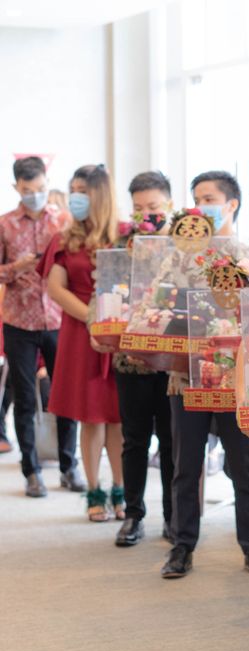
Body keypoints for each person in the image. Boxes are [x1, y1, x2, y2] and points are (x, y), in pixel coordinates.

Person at [161, 170, 249, 581]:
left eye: (208, 198)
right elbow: (159, 304)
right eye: (196, 199)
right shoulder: (177, 253)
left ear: (231, 203)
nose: (201, 206)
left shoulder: (246, 252)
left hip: (233, 379)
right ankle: (181, 546)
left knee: (244, 466)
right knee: (185, 465)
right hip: (186, 375)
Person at [38, 164, 124, 521]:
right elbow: (56, 288)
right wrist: (92, 316)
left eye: (83, 190)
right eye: (73, 189)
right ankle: (94, 489)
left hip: (119, 332)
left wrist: (110, 319)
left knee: (118, 417)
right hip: (80, 331)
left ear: (100, 194)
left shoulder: (124, 235)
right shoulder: (64, 236)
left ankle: (120, 488)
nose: (76, 197)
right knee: (90, 417)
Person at [0, 156, 82, 497]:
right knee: (25, 399)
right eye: (28, 190)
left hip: (57, 319)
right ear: (17, 187)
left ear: (48, 185)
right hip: (18, 321)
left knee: (64, 396)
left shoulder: (62, 221)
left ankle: (69, 467)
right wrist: (15, 268)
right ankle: (31, 472)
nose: (35, 195)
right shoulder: (4, 224)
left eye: (41, 189)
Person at [109, 171, 174, 546]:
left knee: (170, 440)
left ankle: (172, 516)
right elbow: (102, 292)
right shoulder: (122, 244)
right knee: (134, 440)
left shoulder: (185, 243)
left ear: (168, 204)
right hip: (131, 357)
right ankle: (133, 515)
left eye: (153, 206)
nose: (146, 214)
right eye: (139, 208)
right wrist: (96, 327)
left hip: (171, 360)